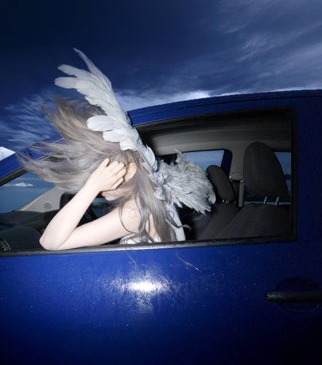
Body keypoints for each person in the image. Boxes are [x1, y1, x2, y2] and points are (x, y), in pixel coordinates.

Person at [17, 50, 214, 251]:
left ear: (131, 169)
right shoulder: (154, 192)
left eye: (105, 175)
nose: (101, 190)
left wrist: (91, 187)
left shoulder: (133, 213)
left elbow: (50, 242)